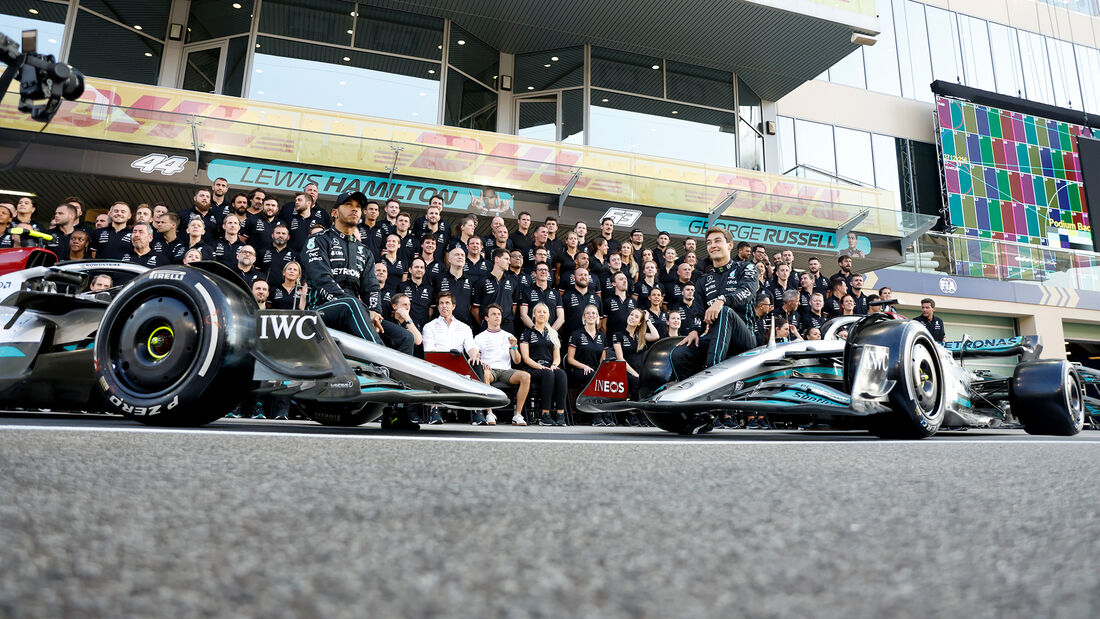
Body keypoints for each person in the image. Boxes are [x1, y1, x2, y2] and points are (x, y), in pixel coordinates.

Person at [303, 190, 413, 360]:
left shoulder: (364, 251)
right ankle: (386, 363)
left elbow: (372, 288)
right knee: (351, 304)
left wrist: (375, 312)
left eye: (358, 207)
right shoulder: (318, 240)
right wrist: (361, 308)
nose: (354, 209)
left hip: (355, 310)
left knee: (405, 337)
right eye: (348, 205)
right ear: (334, 212)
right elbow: (322, 280)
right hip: (320, 310)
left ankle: (403, 379)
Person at [670, 228, 758, 385]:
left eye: (718, 241)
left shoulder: (746, 268)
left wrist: (722, 300)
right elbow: (697, 313)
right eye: (709, 243)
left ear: (730, 245)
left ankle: (712, 381)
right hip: (714, 335)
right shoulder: (703, 281)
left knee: (724, 311)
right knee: (678, 354)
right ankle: (694, 401)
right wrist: (694, 330)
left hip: (743, 337)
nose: (713, 246)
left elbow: (747, 292)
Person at [422, 292, 484, 425]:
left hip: (458, 363)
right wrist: (441, 359)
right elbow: (429, 349)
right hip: (438, 363)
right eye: (441, 303)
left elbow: (471, 346)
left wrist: (474, 355)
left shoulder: (464, 327)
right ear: (438, 307)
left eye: (447, 303)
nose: (444, 306)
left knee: (476, 363)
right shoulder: (430, 326)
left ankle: (478, 411)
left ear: (453, 306)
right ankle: (434, 411)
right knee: (431, 365)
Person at [474, 304, 531, 426]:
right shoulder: (479, 337)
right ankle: (489, 413)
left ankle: (517, 415)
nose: (497, 316)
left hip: (506, 371)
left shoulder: (508, 336)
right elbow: (476, 357)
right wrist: (483, 363)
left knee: (526, 376)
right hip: (490, 370)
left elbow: (517, 361)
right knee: (484, 373)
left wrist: (514, 346)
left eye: (499, 314)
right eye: (493, 314)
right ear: (486, 318)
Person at [520, 302, 568, 426]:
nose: (542, 314)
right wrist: (540, 367)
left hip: (548, 368)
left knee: (561, 374)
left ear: (548, 315)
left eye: (544, 312)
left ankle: (560, 415)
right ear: (533, 315)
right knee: (548, 374)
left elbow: (557, 356)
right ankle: (544, 415)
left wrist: (554, 365)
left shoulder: (553, 333)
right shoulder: (526, 334)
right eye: (539, 312)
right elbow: (525, 358)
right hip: (532, 369)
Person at [613, 308, 659, 426]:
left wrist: (647, 320)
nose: (632, 317)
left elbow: (656, 336)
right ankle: (631, 413)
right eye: (631, 315)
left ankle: (642, 412)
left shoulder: (640, 336)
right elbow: (620, 359)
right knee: (637, 381)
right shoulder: (618, 335)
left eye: (636, 316)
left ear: (639, 322)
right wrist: (635, 374)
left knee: (654, 381)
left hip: (640, 371)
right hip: (624, 372)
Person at [566, 304, 609, 426]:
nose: (591, 315)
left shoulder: (602, 336)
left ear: (597, 317)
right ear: (584, 317)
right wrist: (583, 366)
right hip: (578, 370)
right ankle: (597, 417)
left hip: (595, 372)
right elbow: (570, 359)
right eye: (588, 313)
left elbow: (603, 360)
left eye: (594, 313)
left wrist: (603, 372)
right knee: (594, 377)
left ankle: (606, 414)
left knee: (605, 379)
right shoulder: (576, 334)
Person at [473, 248, 518, 333]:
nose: (509, 262)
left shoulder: (513, 281)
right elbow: (475, 309)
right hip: (488, 325)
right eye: (506, 259)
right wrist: (484, 323)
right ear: (497, 259)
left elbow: (514, 306)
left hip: (507, 326)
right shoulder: (481, 281)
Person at [519, 262, 564, 332]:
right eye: (540, 270)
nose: (543, 272)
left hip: (552, 334)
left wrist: (551, 332)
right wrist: (536, 330)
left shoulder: (556, 293)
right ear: (534, 274)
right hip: (532, 333)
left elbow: (561, 317)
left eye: (546, 270)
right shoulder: (526, 291)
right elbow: (523, 315)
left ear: (548, 273)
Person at [561, 267, 601, 338]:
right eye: (580, 275)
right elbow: (561, 319)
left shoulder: (596, 298)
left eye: (585, 275)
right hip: (570, 339)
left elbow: (600, 321)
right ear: (573, 278)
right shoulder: (566, 297)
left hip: (591, 340)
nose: (583, 277)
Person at [399, 257, 436, 331]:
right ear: (410, 270)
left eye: (422, 267)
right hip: (406, 328)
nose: (419, 269)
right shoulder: (401, 286)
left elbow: (431, 312)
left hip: (424, 328)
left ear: (424, 271)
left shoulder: (430, 289)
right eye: (416, 267)